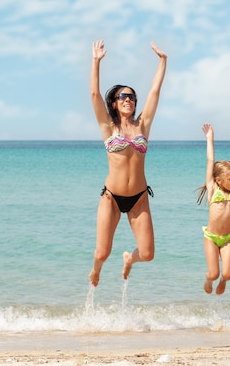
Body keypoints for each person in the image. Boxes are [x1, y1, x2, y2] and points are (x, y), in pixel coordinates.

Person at [88, 39, 167, 286]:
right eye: (123, 96)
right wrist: (96, 62)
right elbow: (93, 94)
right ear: (114, 102)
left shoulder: (143, 125)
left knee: (147, 254)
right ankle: (97, 269)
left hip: (139, 198)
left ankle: (129, 260)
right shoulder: (108, 127)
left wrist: (163, 61)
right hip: (111, 197)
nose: (128, 99)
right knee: (102, 252)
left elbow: (154, 93)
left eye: (132, 97)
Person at [196, 123, 230, 295]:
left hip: (227, 238)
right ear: (218, 180)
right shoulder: (213, 190)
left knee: (227, 274)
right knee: (213, 273)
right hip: (211, 237)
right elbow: (210, 160)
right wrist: (210, 138)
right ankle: (208, 281)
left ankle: (223, 281)